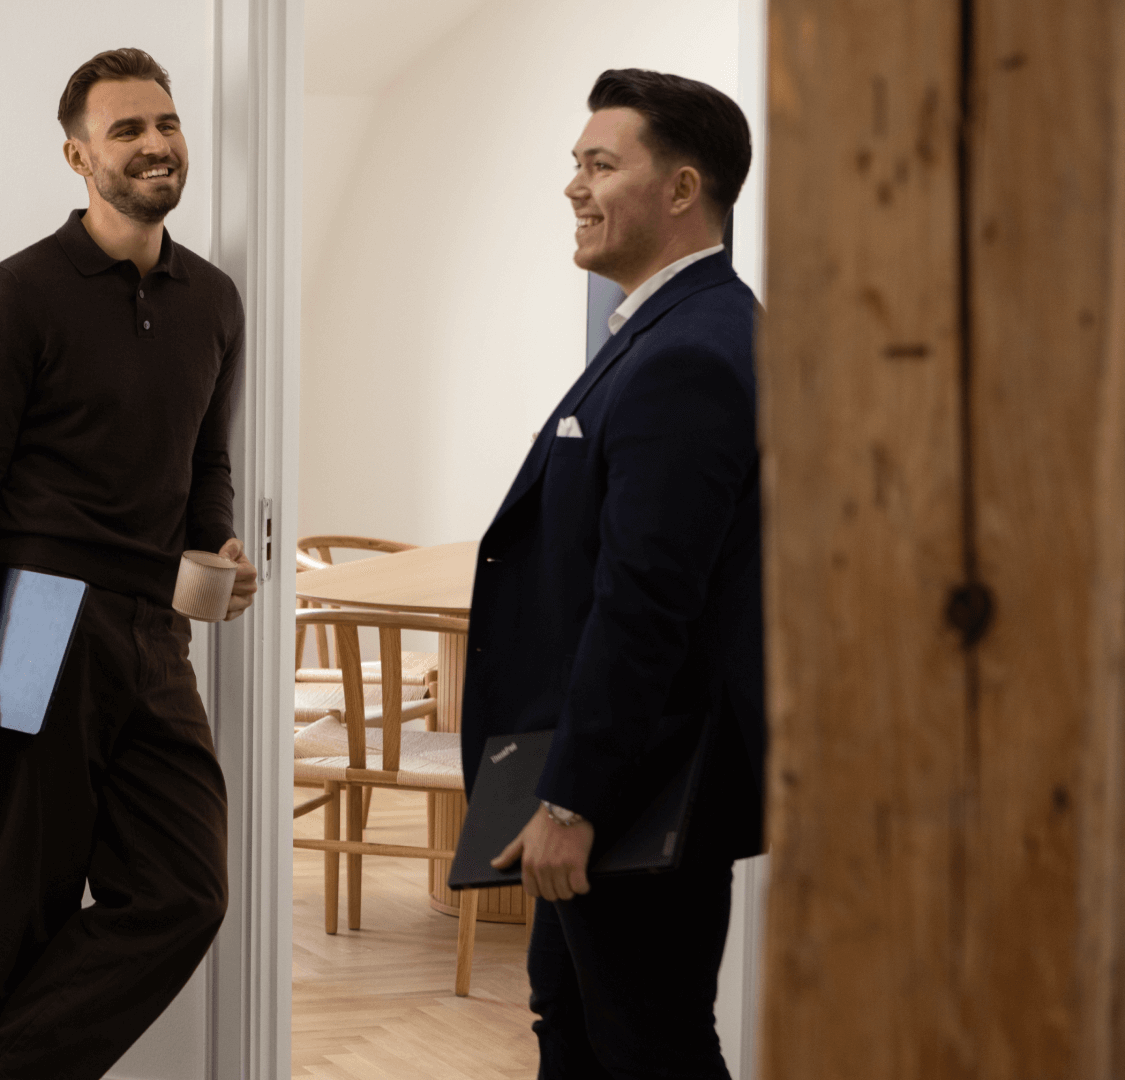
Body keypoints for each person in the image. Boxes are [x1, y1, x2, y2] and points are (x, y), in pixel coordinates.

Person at [0, 47, 257, 1080]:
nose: (156, 144)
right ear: (78, 156)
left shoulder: (214, 299)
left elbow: (208, 460)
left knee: (187, 891)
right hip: (30, 613)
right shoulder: (17, 294)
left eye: (166, 122)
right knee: (22, 898)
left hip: (153, 623)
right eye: (126, 129)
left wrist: (215, 547)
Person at [465, 69, 765, 1077]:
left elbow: (645, 604)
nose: (574, 186)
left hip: (641, 791)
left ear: (682, 189)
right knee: (574, 1026)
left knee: (648, 1048)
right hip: (619, 780)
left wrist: (574, 802)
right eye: (576, 164)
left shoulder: (693, 353)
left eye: (601, 164)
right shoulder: (674, 328)